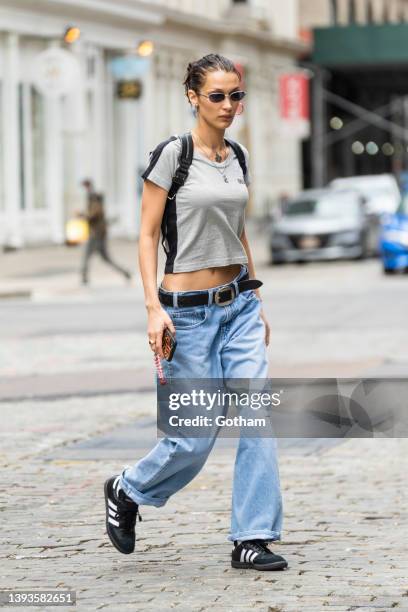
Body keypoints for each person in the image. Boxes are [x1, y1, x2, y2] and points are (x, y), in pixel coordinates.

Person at [104, 54, 287, 571]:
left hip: (240, 307)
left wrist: (256, 297)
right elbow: (144, 235)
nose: (229, 106)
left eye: (236, 95)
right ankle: (127, 488)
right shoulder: (173, 156)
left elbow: (239, 233)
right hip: (185, 314)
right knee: (193, 436)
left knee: (256, 418)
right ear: (193, 97)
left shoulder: (240, 156)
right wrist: (151, 310)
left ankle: (252, 537)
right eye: (218, 96)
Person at [80, 179, 132, 285]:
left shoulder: (94, 197)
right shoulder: (93, 197)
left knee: (89, 255)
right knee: (105, 258)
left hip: (97, 234)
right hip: (98, 233)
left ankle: (84, 277)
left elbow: (94, 214)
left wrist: (83, 215)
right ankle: (125, 273)